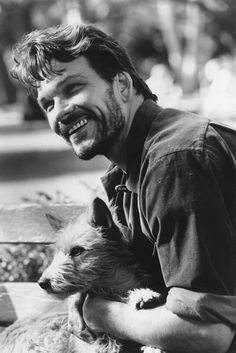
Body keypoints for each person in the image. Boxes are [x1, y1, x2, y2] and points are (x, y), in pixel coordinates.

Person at [11, 24, 236, 352]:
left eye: (73, 87)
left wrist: (98, 312)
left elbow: (206, 335)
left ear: (122, 85)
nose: (61, 111)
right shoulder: (125, 176)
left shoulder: (176, 160)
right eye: (48, 104)